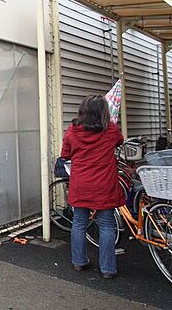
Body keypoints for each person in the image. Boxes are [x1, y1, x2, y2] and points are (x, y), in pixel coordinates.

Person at [60, 94, 125, 279]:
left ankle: (79, 262)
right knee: (106, 225)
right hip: (104, 184)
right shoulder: (110, 130)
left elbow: (65, 153)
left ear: (83, 110)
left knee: (79, 223)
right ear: (103, 112)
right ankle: (108, 269)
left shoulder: (72, 131)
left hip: (81, 183)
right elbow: (119, 141)